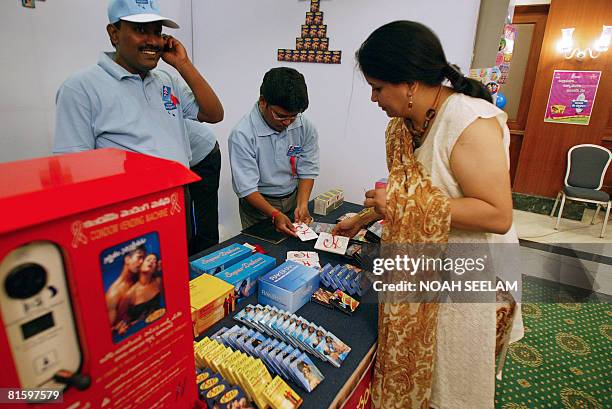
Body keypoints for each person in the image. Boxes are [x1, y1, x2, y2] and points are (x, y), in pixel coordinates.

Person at [333, 21, 522, 409]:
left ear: (409, 83)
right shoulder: (405, 126)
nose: (373, 99)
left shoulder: (469, 122)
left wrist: (397, 206)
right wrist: (363, 218)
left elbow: (497, 214)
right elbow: (414, 192)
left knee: (449, 387)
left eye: (377, 87)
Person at [53, 0, 223, 176]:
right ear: (114, 34)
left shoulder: (166, 81)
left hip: (177, 192)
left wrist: (183, 64)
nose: (153, 41)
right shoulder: (80, 88)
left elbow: (214, 114)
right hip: (134, 200)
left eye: (157, 32)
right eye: (140, 30)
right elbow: (73, 168)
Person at [228, 67, 320, 236]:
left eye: (293, 117)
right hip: (258, 205)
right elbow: (247, 188)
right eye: (281, 116)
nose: (287, 123)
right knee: (262, 251)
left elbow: (308, 168)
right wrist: (275, 213)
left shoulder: (303, 125)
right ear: (263, 101)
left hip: (292, 196)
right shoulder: (242, 134)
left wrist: (302, 204)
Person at [186, 120, 221, 256]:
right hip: (178, 160)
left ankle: (207, 263)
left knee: (204, 221)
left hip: (204, 156)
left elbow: (216, 115)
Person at [116, 252, 163, 334]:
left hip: (161, 326)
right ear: (140, 265)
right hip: (140, 334)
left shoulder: (158, 282)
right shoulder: (129, 294)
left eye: (154, 261)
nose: (151, 262)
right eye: (148, 260)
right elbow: (120, 323)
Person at [105, 245, 145, 327]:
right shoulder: (113, 294)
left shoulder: (141, 277)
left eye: (143, 259)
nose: (141, 262)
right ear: (127, 259)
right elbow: (109, 330)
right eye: (139, 257)